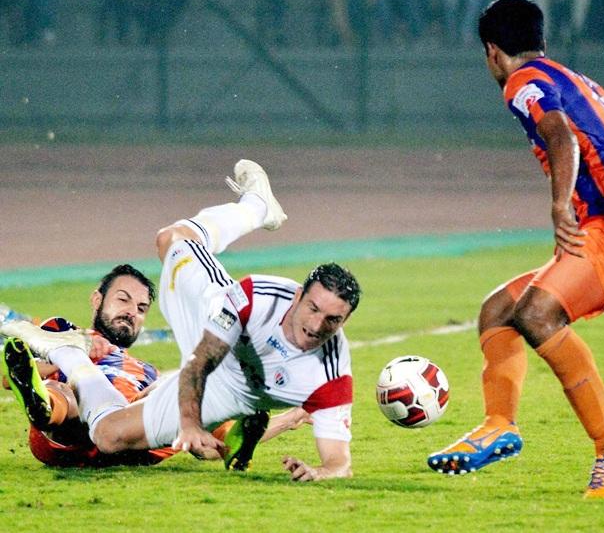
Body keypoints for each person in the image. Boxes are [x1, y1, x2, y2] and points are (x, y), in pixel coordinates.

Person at [427, 0, 604, 499]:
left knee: (537, 314)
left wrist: (562, 205)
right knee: (499, 310)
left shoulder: (521, 82)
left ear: (492, 52)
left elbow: (562, 138)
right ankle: (499, 424)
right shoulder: (586, 85)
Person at [2, 159, 361, 481]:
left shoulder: (332, 378)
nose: (316, 326)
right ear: (298, 296)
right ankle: (256, 206)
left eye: (141, 307)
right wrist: (189, 421)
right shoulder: (255, 300)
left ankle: (68, 364)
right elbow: (200, 362)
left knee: (111, 432)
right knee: (169, 239)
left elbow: (337, 461)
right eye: (122, 300)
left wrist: (310, 455)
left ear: (343, 322)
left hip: (180, 415)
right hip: (206, 343)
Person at [1, 264, 309, 468]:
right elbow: (7, 375)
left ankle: (238, 438)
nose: (131, 312)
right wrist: (82, 353)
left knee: (179, 389)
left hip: (133, 441)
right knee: (67, 391)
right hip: (67, 435)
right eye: (122, 300)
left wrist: (291, 418)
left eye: (141, 308)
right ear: (97, 299)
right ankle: (42, 406)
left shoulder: (145, 370)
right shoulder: (63, 333)